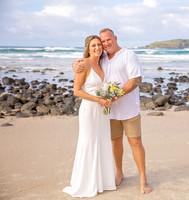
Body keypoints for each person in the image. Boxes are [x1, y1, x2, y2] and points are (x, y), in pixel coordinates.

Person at [73, 28, 151, 194]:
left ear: (115, 38)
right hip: (109, 112)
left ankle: (143, 178)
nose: (105, 44)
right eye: (102, 42)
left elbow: (136, 80)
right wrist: (75, 64)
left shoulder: (129, 55)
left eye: (108, 40)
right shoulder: (102, 58)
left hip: (129, 109)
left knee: (135, 142)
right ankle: (119, 173)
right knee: (115, 142)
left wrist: (117, 94)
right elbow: (86, 65)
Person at [63, 35, 116, 198]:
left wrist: (108, 98)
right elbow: (77, 90)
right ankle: (86, 183)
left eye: (99, 44)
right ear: (88, 48)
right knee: (89, 143)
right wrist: (98, 99)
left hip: (103, 111)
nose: (97, 48)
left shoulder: (103, 63)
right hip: (90, 110)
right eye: (93, 45)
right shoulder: (83, 64)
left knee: (102, 143)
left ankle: (102, 182)